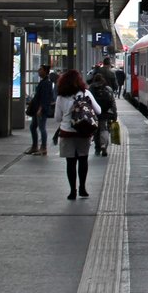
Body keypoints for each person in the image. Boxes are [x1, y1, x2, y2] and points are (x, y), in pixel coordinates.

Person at [53, 69, 102, 200]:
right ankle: (83, 188)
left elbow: (57, 118)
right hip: (83, 131)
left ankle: (72, 191)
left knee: (70, 162)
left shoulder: (61, 97)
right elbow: (98, 110)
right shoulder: (86, 93)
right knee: (83, 159)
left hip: (67, 132)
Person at [25, 64, 55, 155]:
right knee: (33, 127)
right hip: (37, 108)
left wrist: (40, 109)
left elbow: (45, 98)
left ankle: (43, 147)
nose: (39, 71)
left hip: (41, 109)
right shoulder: (43, 82)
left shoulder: (46, 83)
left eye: (41, 69)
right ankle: (35, 146)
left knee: (42, 127)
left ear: (45, 71)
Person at [88, 72, 117, 156]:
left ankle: (97, 148)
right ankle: (104, 145)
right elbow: (113, 103)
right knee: (104, 129)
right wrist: (115, 115)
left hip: (95, 113)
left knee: (96, 130)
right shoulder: (108, 88)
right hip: (105, 112)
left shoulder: (91, 88)